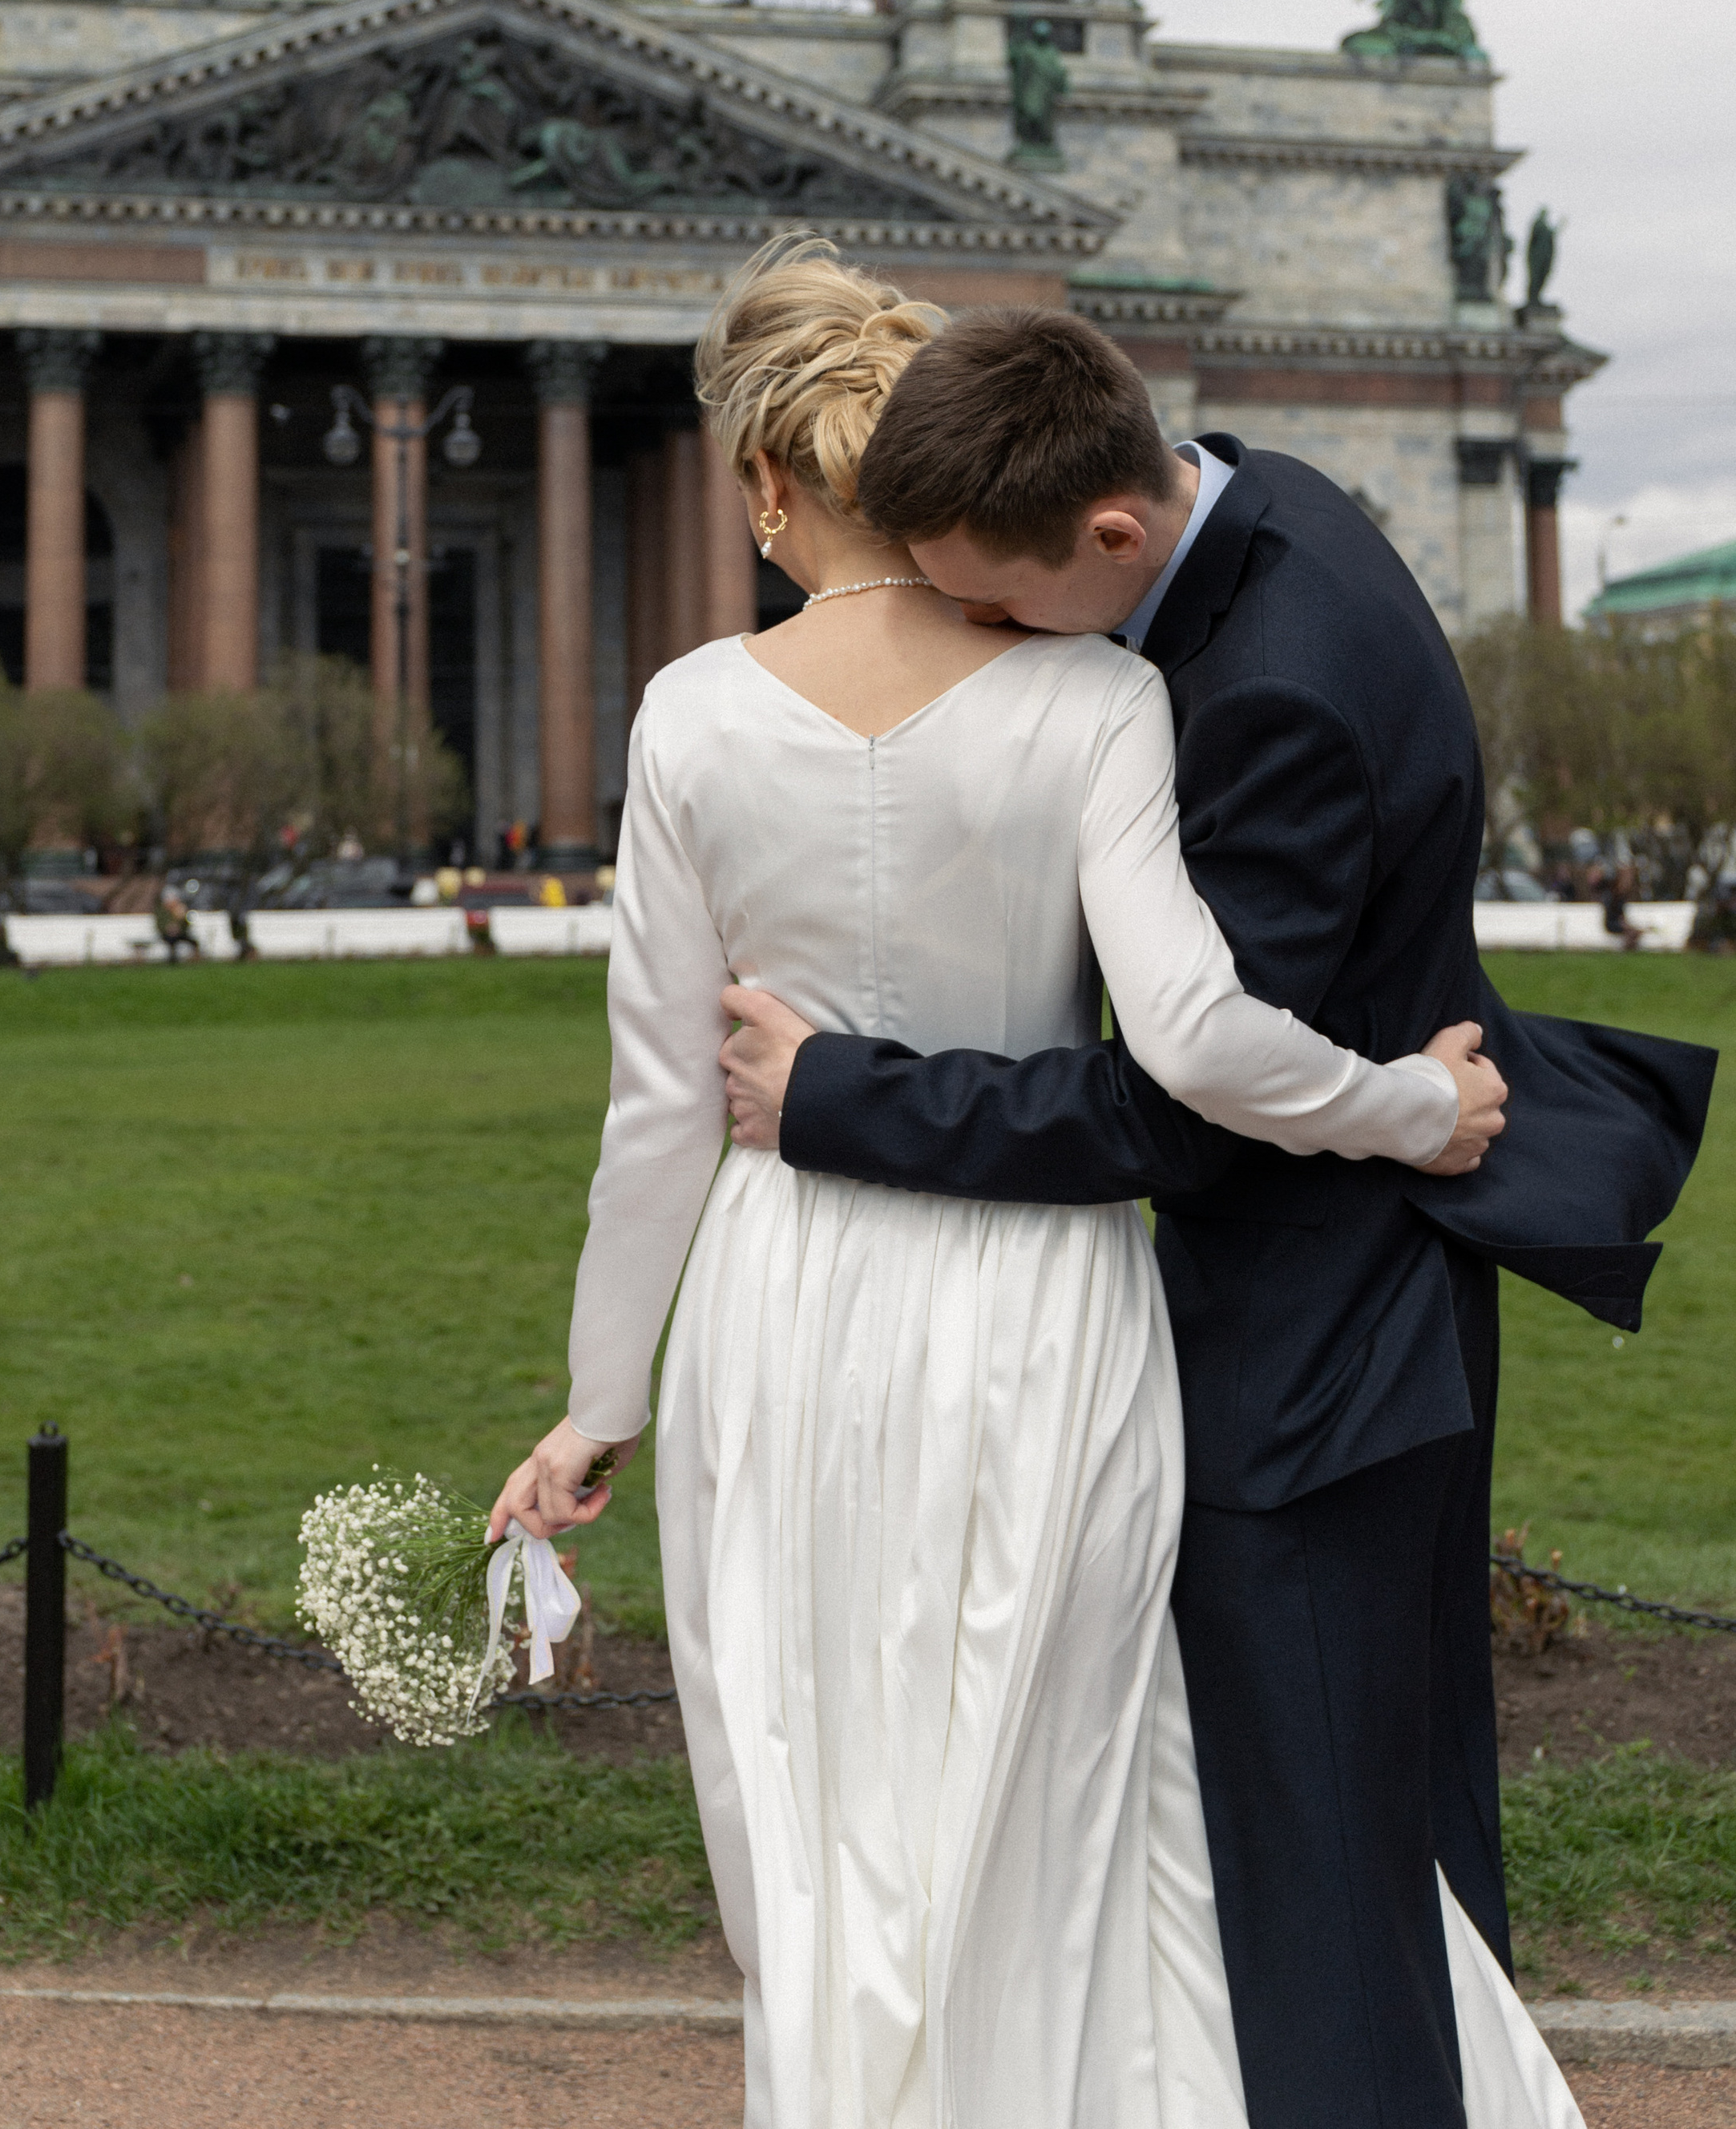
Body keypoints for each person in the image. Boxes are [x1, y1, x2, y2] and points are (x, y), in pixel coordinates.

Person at [492, 247, 1568, 2129]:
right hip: (1050, 1309)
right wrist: (1406, 1104)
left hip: (787, 1290)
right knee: (1074, 1782)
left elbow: (655, 1111)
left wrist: (597, 1406)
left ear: (760, 483)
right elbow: (1204, 1045)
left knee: (818, 1796)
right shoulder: (1093, 688)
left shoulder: (682, 716)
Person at [717, 295, 1714, 2128]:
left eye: (999, 603)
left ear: (1105, 534)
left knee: (1319, 1882)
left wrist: (833, 1094)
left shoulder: (1268, 695)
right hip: (1369, 1313)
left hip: (1310, 1358)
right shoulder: (1265, 506)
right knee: (1387, 1860)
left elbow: (1180, 1111)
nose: (986, 645)